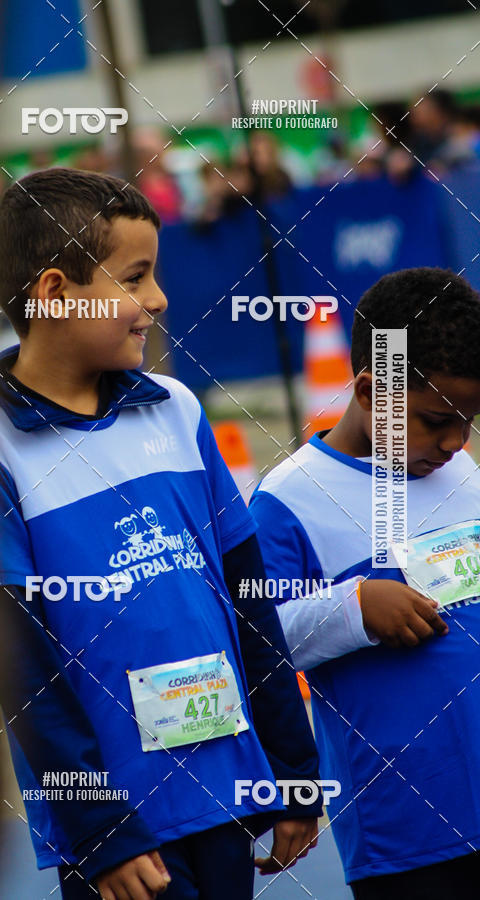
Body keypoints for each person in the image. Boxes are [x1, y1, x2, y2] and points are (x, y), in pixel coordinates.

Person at [0, 167, 322, 900]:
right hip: (120, 829)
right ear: (54, 293)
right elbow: (20, 667)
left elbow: (250, 600)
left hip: (227, 792)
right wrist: (99, 827)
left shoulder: (175, 406)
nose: (159, 299)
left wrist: (294, 767)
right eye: (135, 278)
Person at [250, 267, 480, 899]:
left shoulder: (462, 473)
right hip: (406, 836)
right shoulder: (288, 501)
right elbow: (256, 642)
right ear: (371, 391)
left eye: (469, 420)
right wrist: (354, 608)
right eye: (436, 419)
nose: (456, 441)